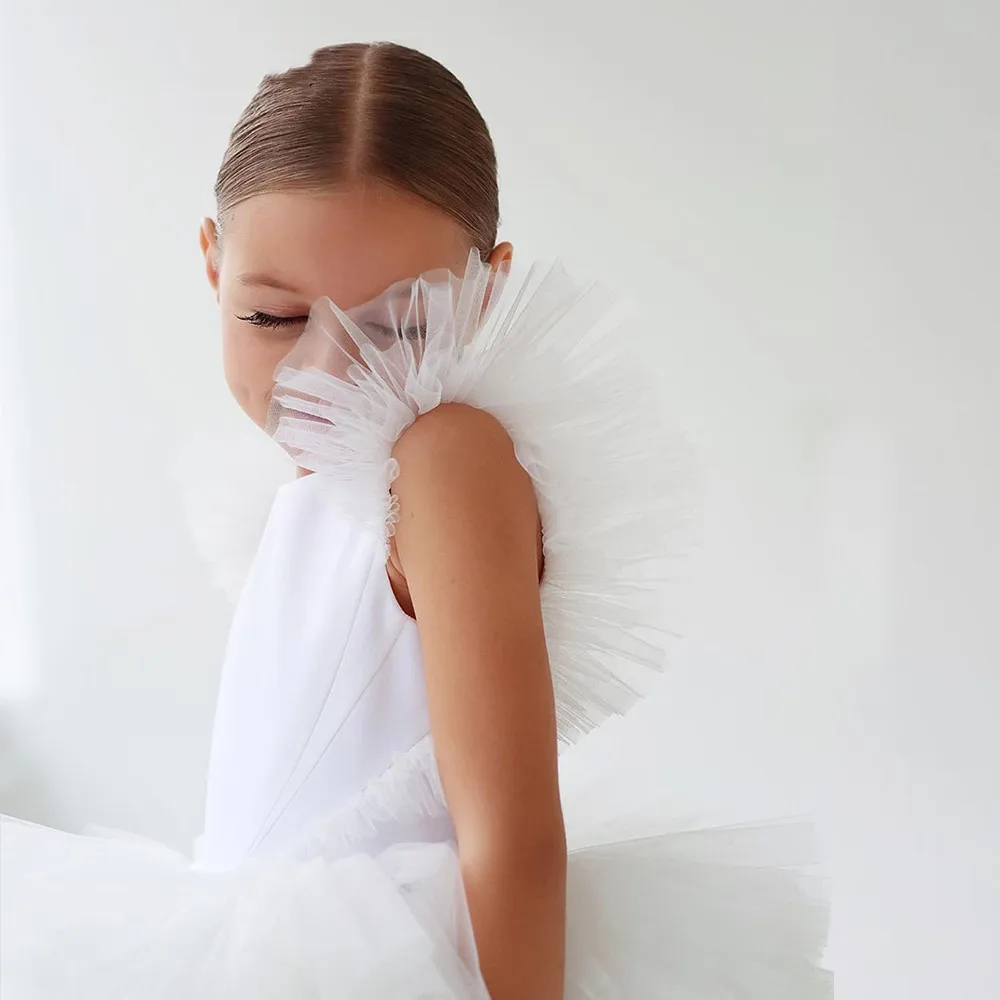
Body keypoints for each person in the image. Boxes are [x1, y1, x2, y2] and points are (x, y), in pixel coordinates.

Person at [0, 41, 831, 999]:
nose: (324, 373)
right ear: (211, 266)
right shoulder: (315, 495)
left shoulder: (446, 459)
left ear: (486, 291)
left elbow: (512, 837)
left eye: (396, 327)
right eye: (271, 318)